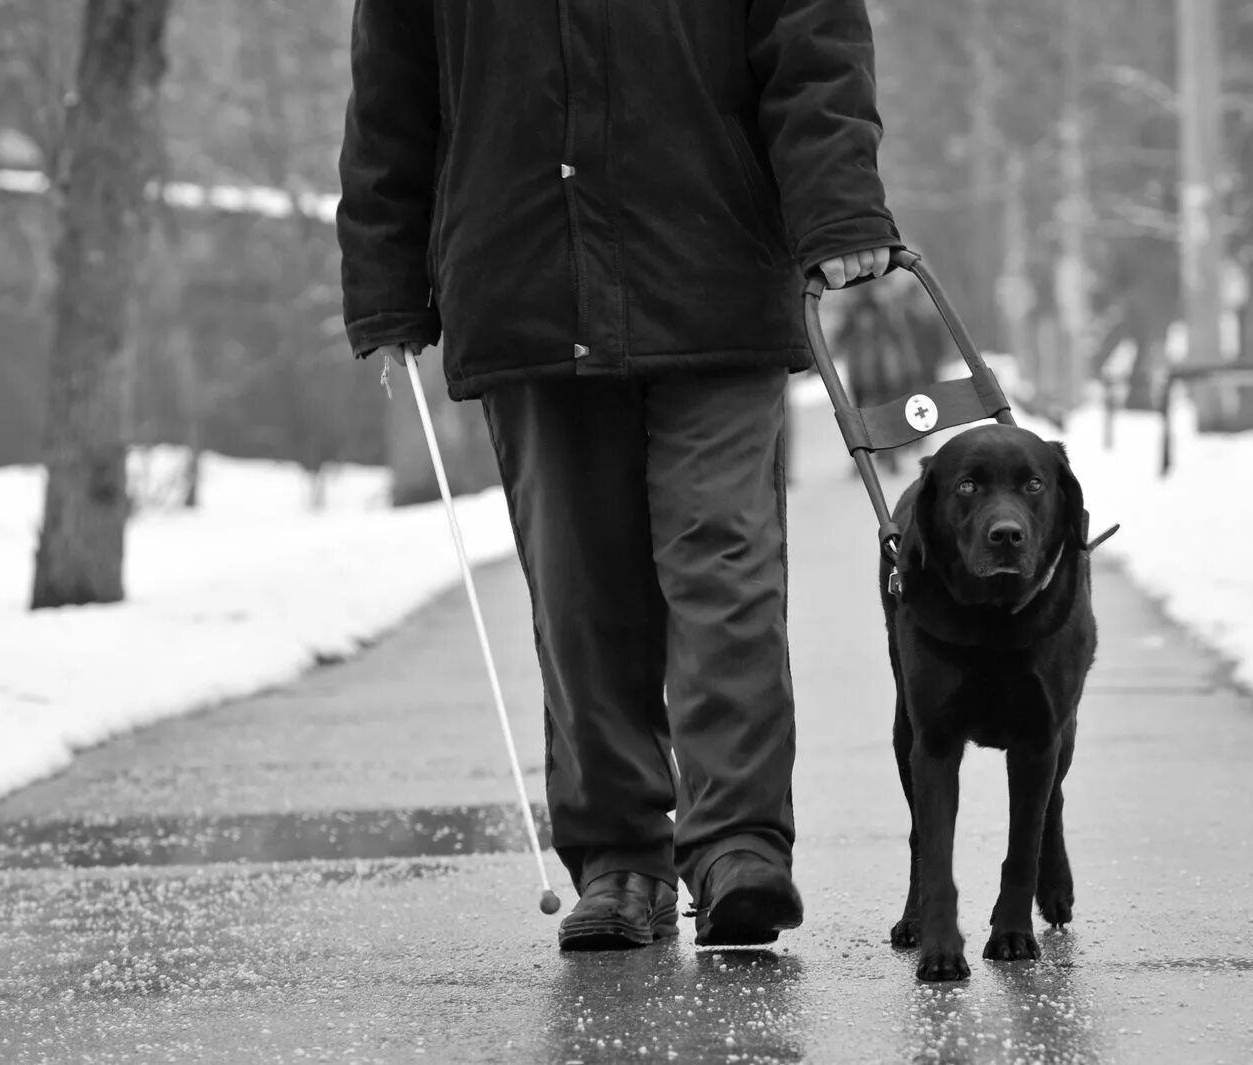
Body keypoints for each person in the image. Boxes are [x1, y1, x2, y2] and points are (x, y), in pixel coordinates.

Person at [337, 0, 902, 950]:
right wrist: (387, 279)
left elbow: (813, 39)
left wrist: (838, 201)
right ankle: (620, 859)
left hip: (711, 265)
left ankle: (737, 847)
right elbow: (392, 90)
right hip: (524, 275)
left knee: (722, 561)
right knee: (580, 589)